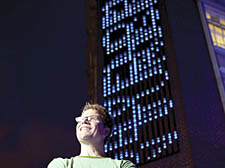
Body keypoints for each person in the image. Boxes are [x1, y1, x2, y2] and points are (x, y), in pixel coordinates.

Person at [48, 103, 136, 168]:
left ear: (105, 131)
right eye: (81, 119)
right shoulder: (61, 164)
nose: (84, 121)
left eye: (91, 118)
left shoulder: (123, 165)